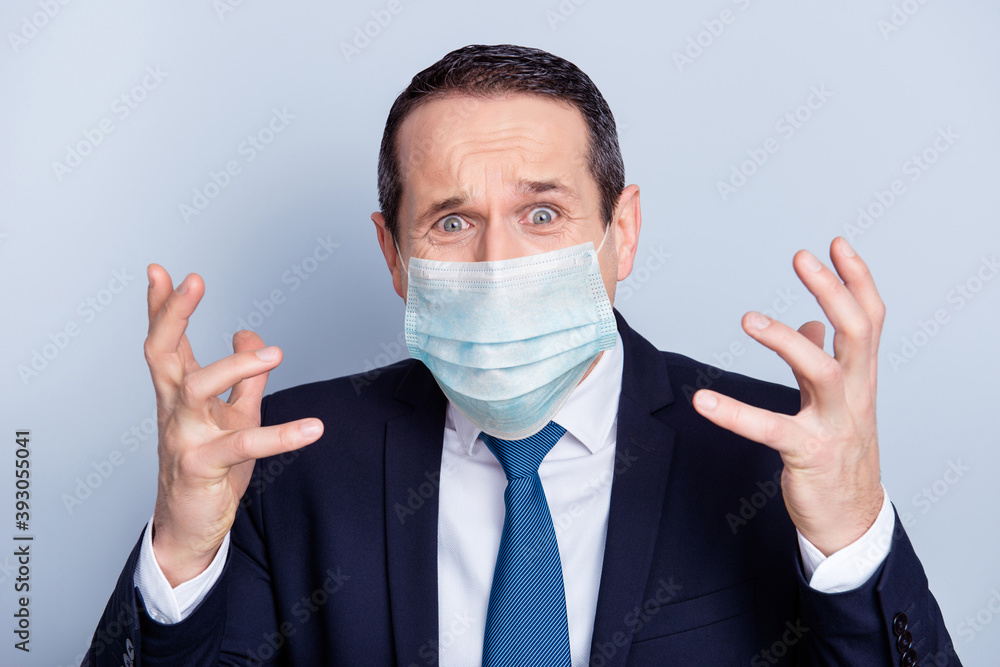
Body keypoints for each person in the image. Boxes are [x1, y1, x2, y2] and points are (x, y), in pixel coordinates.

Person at [84, 43, 961, 666]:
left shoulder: (773, 451)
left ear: (622, 232)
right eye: (452, 221)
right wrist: (182, 550)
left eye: (543, 214)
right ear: (394, 254)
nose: (498, 263)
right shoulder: (283, 458)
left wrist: (852, 537)